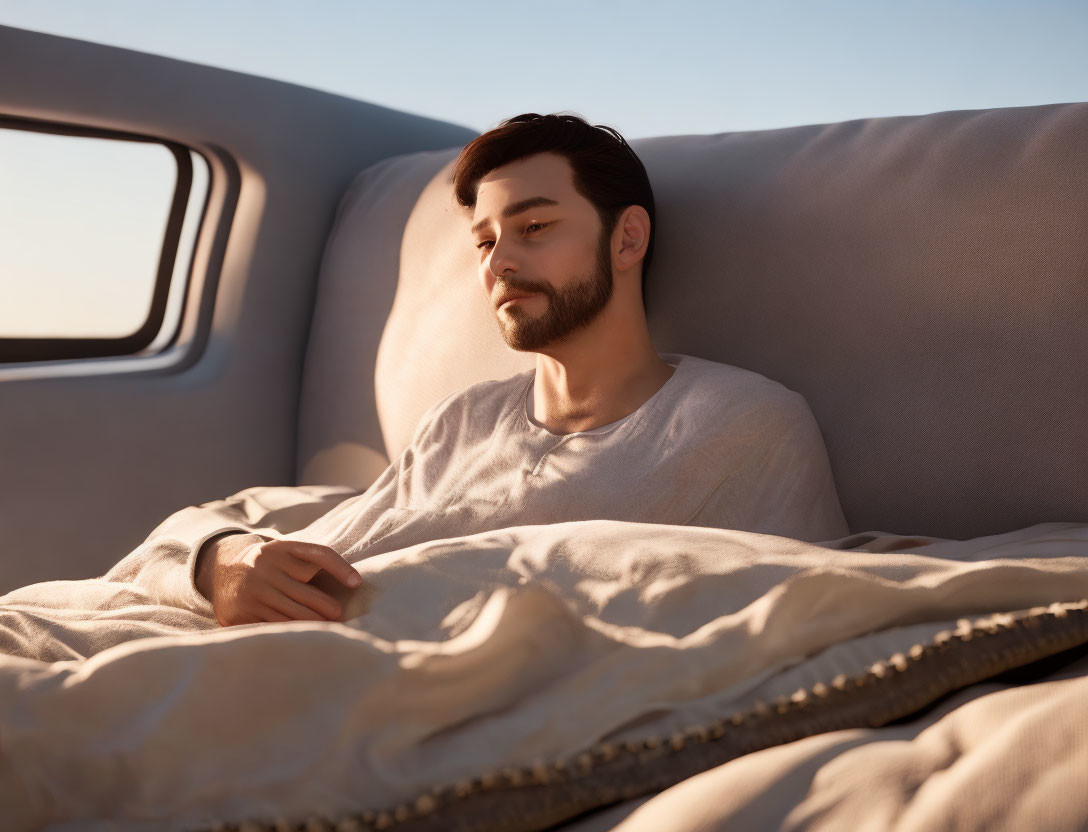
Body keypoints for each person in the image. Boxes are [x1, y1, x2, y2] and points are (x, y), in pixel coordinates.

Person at [116, 113, 849, 628]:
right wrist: (218, 562)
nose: (499, 263)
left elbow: (795, 624)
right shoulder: (464, 419)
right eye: (485, 240)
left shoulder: (741, 425)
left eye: (533, 229)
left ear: (627, 238)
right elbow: (342, 535)